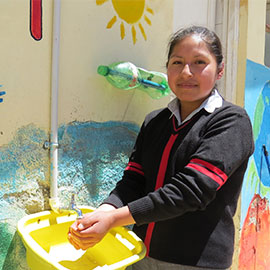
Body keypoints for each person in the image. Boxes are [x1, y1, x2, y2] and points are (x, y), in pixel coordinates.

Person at [68, 26, 254, 270]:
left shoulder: (231, 121)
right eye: (177, 62)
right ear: (167, 68)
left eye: (199, 62)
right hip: (139, 254)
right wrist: (103, 211)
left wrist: (113, 219)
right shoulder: (155, 121)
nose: (186, 72)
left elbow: (189, 191)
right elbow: (133, 180)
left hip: (195, 262)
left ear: (219, 70)